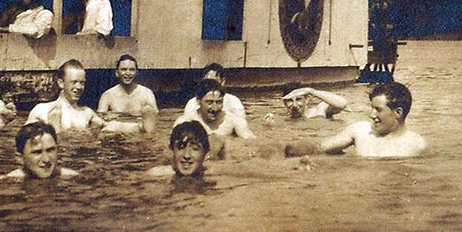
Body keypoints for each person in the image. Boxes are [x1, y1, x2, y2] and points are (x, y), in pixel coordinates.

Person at [284, 82, 427, 158]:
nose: (371, 115)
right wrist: (283, 151)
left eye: (378, 109)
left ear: (398, 113)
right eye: (371, 108)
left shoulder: (416, 145)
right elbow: (319, 147)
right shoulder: (360, 131)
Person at [27, 59, 106, 132]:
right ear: (61, 83)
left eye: (82, 83)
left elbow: (109, 127)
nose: (79, 87)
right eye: (74, 82)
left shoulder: (87, 113)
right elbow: (25, 140)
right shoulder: (42, 110)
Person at [180, 63, 255, 139]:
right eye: (209, 102)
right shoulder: (191, 105)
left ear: (222, 82)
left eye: (219, 102)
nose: (210, 85)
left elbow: (244, 131)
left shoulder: (234, 104)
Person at [97, 54, 159, 133]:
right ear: (117, 73)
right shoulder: (108, 96)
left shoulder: (146, 93)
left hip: (139, 133)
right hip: (117, 134)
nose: (128, 73)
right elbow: (99, 122)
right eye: (124, 69)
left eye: (132, 70)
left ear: (136, 73)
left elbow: (155, 119)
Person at [0, 122, 78, 179]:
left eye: (50, 150)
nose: (46, 159)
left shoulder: (73, 177)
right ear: (19, 158)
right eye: (37, 152)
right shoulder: (5, 182)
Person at [147, 120, 211, 178]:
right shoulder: (155, 176)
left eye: (195, 149)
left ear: (206, 153)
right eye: (181, 147)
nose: (187, 155)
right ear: (171, 150)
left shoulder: (216, 174)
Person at [280, 85, 348, 121]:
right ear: (284, 103)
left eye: (298, 99)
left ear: (307, 99)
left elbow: (342, 103)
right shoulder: (284, 119)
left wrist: (311, 91)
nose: (294, 105)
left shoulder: (320, 110)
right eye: (290, 100)